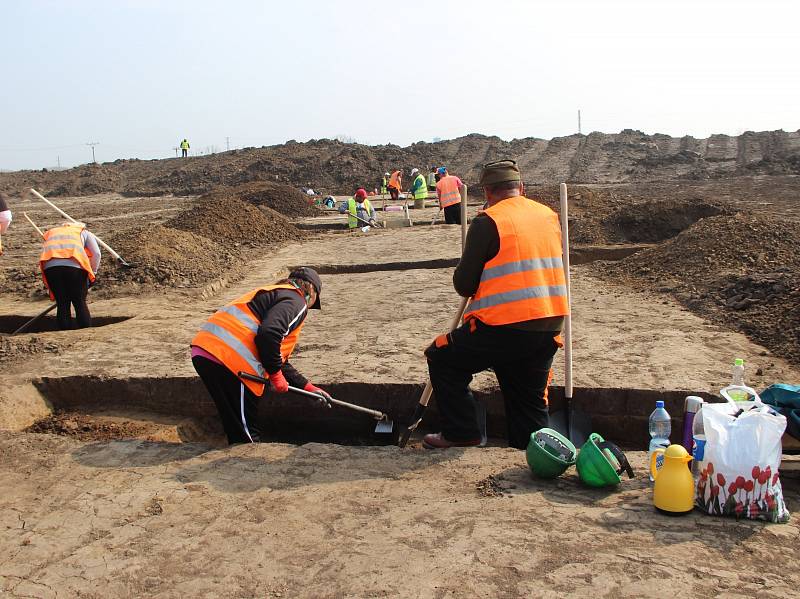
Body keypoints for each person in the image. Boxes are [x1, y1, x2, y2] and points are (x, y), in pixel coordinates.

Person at [422, 159, 568, 450]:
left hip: (502, 326)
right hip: (549, 324)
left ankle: (462, 432)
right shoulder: (549, 215)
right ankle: (534, 452)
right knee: (526, 396)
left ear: (488, 192)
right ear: (521, 188)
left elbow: (464, 285)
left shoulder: (488, 221)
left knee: (442, 357)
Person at [191, 267, 330, 445]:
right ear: (311, 290)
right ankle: (243, 464)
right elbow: (269, 334)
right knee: (245, 433)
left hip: (207, 352)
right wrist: (275, 375)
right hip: (232, 362)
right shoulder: (297, 301)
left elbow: (277, 357)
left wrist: (307, 387)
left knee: (235, 422)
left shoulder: (274, 294)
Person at [39, 221, 102, 330]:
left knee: (62, 302)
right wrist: (93, 272)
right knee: (79, 301)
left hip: (51, 268)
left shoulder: (52, 232)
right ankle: (85, 330)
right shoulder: (83, 232)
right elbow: (96, 254)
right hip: (74, 267)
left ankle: (64, 331)